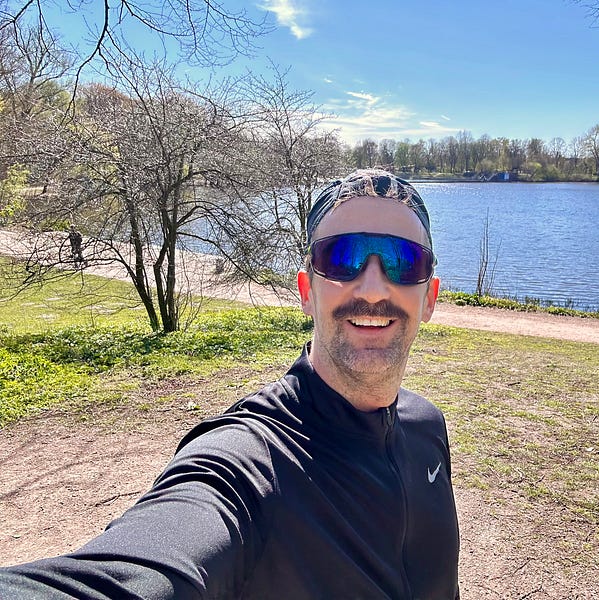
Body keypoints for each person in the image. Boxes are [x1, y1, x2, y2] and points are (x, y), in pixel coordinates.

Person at [0, 169, 460, 599]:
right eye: (342, 258)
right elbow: (139, 568)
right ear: (306, 291)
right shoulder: (252, 462)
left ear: (429, 299)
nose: (373, 288)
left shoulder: (426, 426)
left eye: (404, 262)